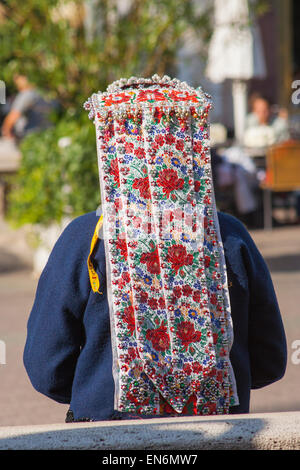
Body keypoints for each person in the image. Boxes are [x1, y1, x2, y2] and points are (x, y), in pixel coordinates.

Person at [23, 75, 287, 422]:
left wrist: (98, 386)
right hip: (220, 430)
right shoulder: (230, 236)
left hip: (108, 435)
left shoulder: (86, 238)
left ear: (112, 148)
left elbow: (47, 367)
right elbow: (269, 359)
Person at [1, 74, 54, 142]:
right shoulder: (48, 92)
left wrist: (6, 131)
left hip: (31, 137)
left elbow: (13, 116)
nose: (15, 82)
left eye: (17, 78)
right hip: (50, 133)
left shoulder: (26, 94)